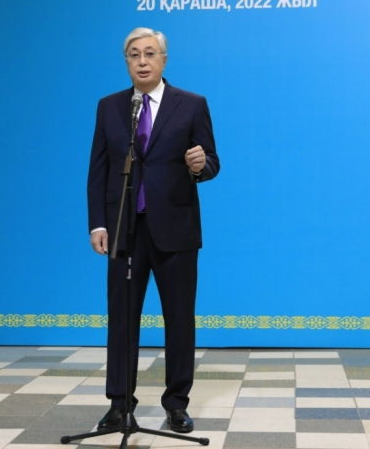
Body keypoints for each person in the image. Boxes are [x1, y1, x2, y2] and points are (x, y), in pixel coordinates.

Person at [86, 27, 220, 434]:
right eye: (134, 54)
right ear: (126, 62)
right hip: (124, 228)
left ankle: (176, 403)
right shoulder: (110, 107)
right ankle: (119, 404)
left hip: (175, 229)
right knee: (121, 319)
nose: (142, 61)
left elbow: (212, 162)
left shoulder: (191, 104)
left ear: (163, 60)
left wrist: (200, 165)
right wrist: (98, 222)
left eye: (149, 53)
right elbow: (98, 170)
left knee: (178, 318)